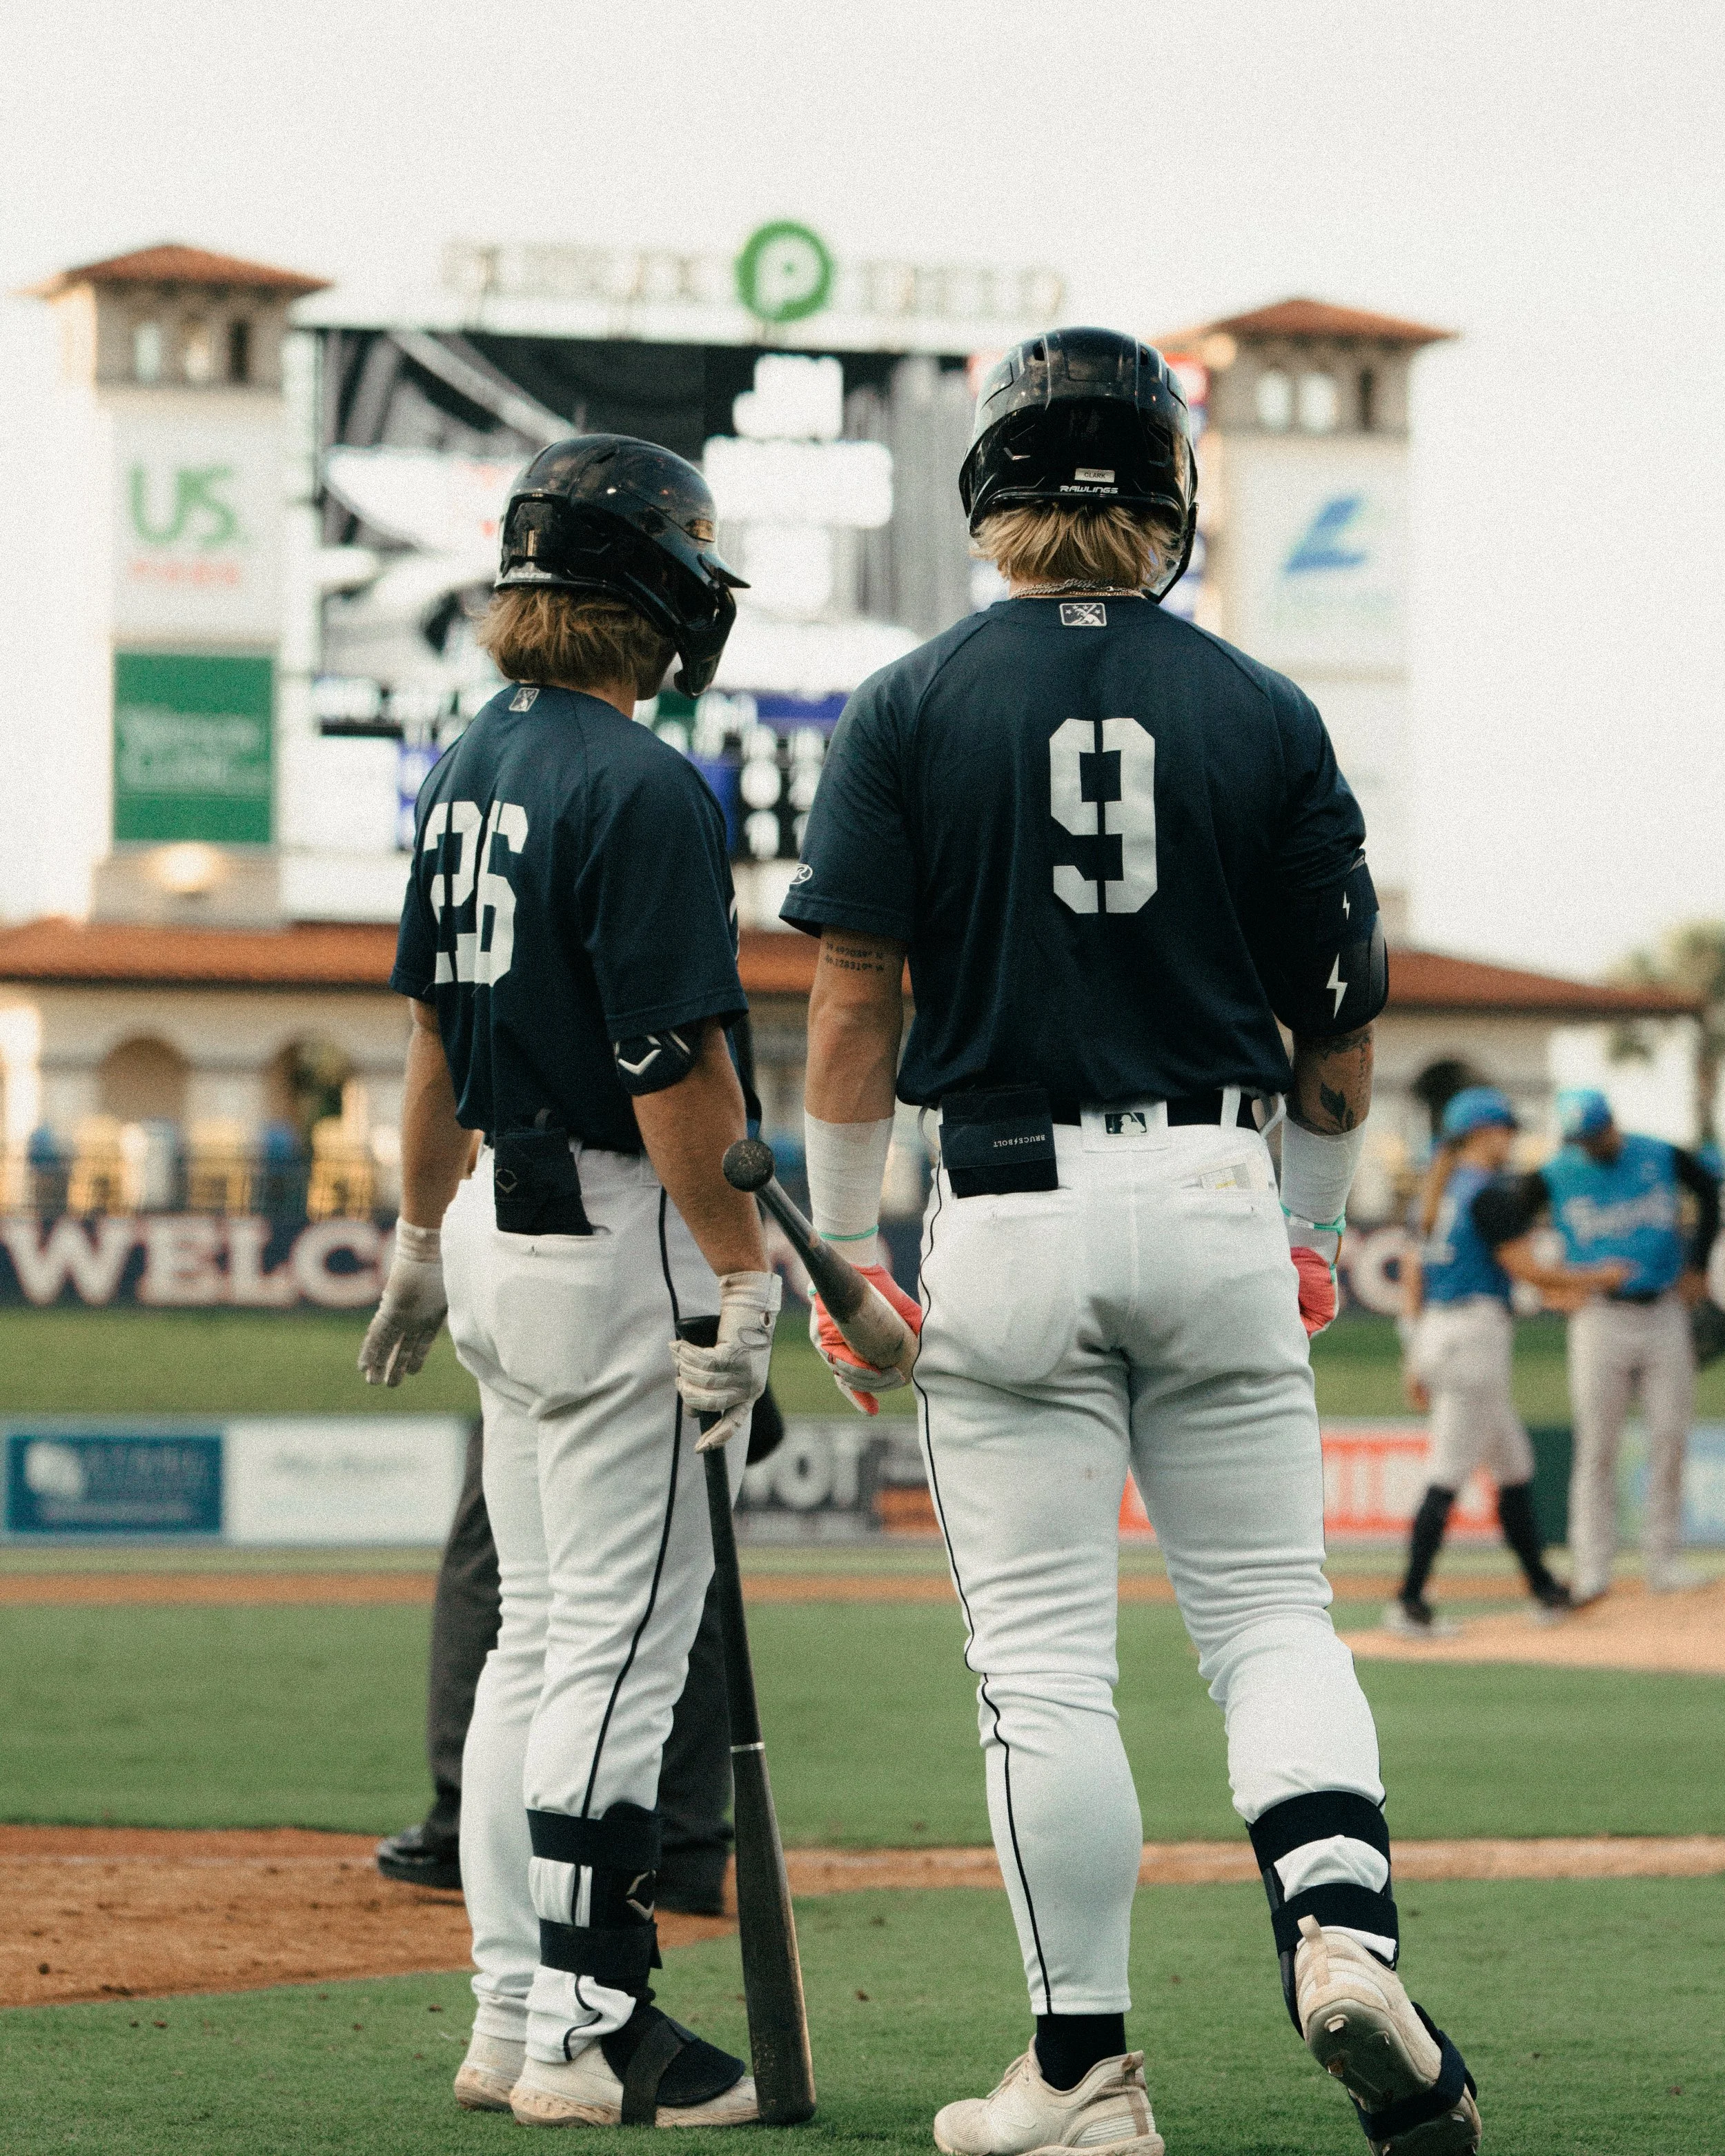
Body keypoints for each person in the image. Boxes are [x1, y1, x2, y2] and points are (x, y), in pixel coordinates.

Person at [783, 328, 1480, 2156]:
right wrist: (1313, 1228)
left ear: (989, 493)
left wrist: (842, 1247)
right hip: (1213, 1193)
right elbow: (1336, 1030)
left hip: (1004, 1207)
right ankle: (1337, 1923)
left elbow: (851, 1006)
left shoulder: (910, 701)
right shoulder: (1263, 706)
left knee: (1041, 1665)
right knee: (1267, 1614)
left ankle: (1083, 2072)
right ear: (1169, 494)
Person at [357, 435, 781, 2130]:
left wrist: (409, 1229)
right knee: (614, 1647)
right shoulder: (640, 779)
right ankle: (596, 2034)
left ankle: (514, 2010)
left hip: (491, 1229)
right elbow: (675, 1066)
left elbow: (431, 1039)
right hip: (618, 1229)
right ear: (655, 591)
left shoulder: (471, 760)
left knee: (541, 1641)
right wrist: (745, 1274)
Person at [373, 1406, 782, 1915]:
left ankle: (472, 1833)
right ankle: (678, 1844)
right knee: (678, 1562)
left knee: (508, 1581)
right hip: (688, 1348)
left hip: (578, 1350)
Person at [1390, 1085, 1628, 1637]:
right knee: (1446, 1474)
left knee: (1514, 1465)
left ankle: (1545, 1591)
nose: (1511, 1138)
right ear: (1481, 1133)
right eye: (1505, 1128)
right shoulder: (1485, 1193)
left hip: (1443, 1332)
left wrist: (1414, 1354)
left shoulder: (1438, 1189)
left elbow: (1415, 1276)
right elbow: (1527, 1268)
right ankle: (1408, 1602)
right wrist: (1599, 1277)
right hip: (1473, 1339)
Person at [1471, 1087, 1719, 1605]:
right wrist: (1551, 1286)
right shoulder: (1558, 1171)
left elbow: (1710, 1192)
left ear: (1612, 1124)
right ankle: (1592, 1566)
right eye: (1581, 1138)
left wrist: (1697, 1265)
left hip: (1662, 1309)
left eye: (1595, 1134)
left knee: (1670, 1437)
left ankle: (1663, 1560)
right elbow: (1504, 1227)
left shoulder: (1659, 1154)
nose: (1589, 1145)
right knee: (1596, 1445)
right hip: (1598, 1315)